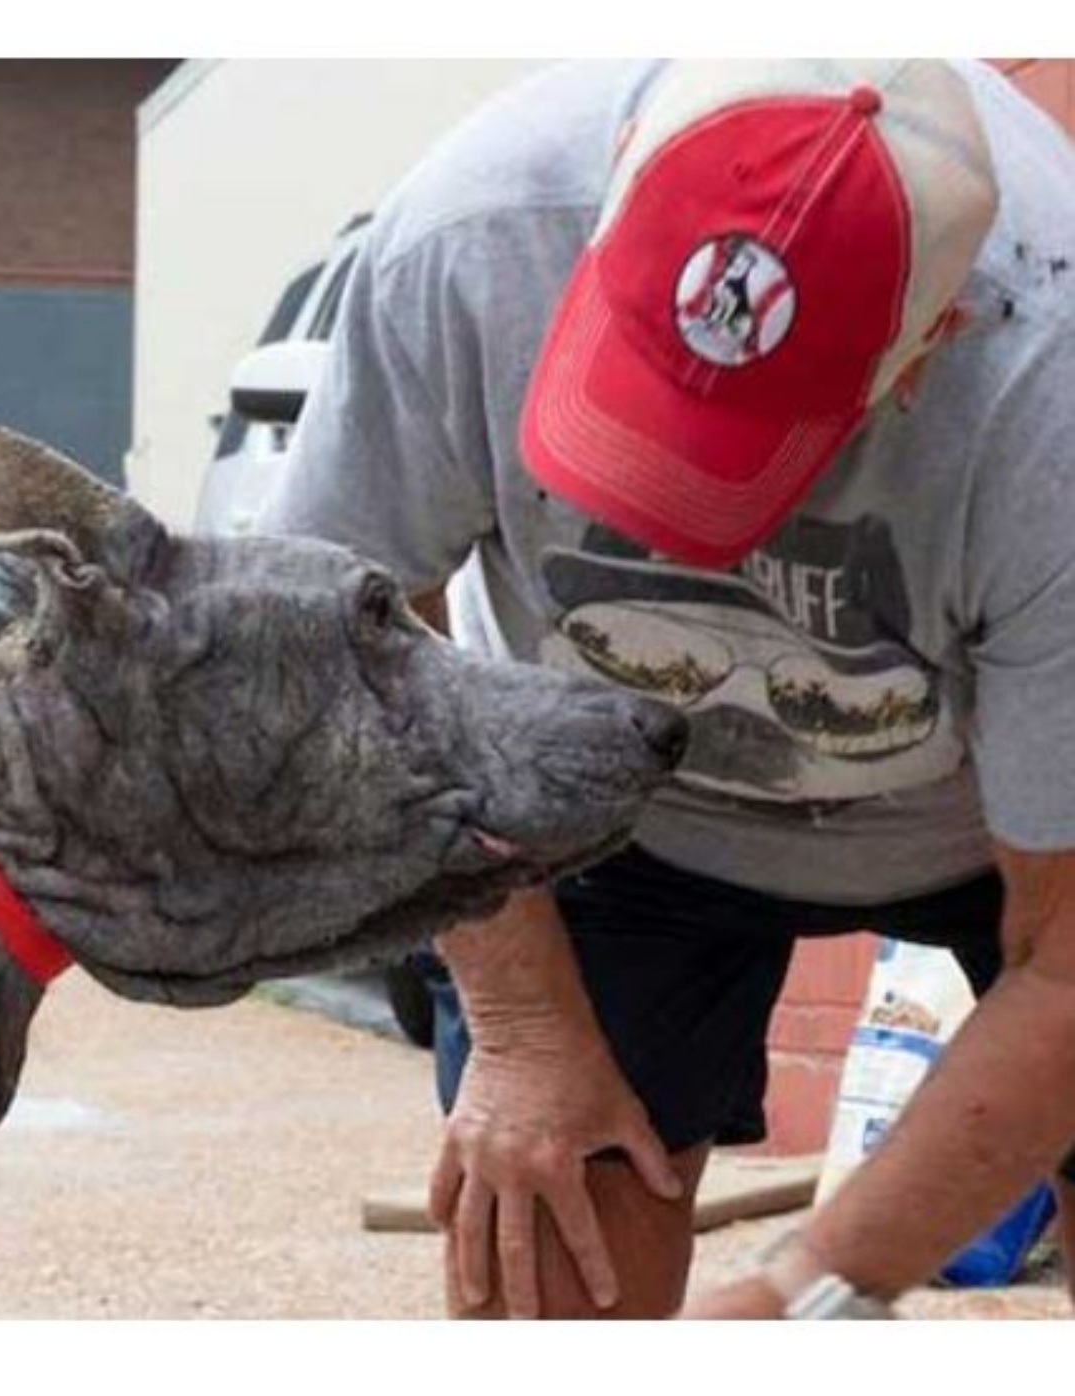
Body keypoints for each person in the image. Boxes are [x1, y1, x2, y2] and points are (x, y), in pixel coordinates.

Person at [256, 58, 1075, 1319]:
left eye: (738, 462)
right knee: (547, 1244)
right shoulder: (472, 239)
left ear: (930, 343)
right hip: (592, 797)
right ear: (621, 174)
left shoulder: (1047, 382)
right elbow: (331, 643)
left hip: (992, 815)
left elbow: (1064, 962)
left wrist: (814, 1282)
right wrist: (523, 1026)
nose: (685, 536)